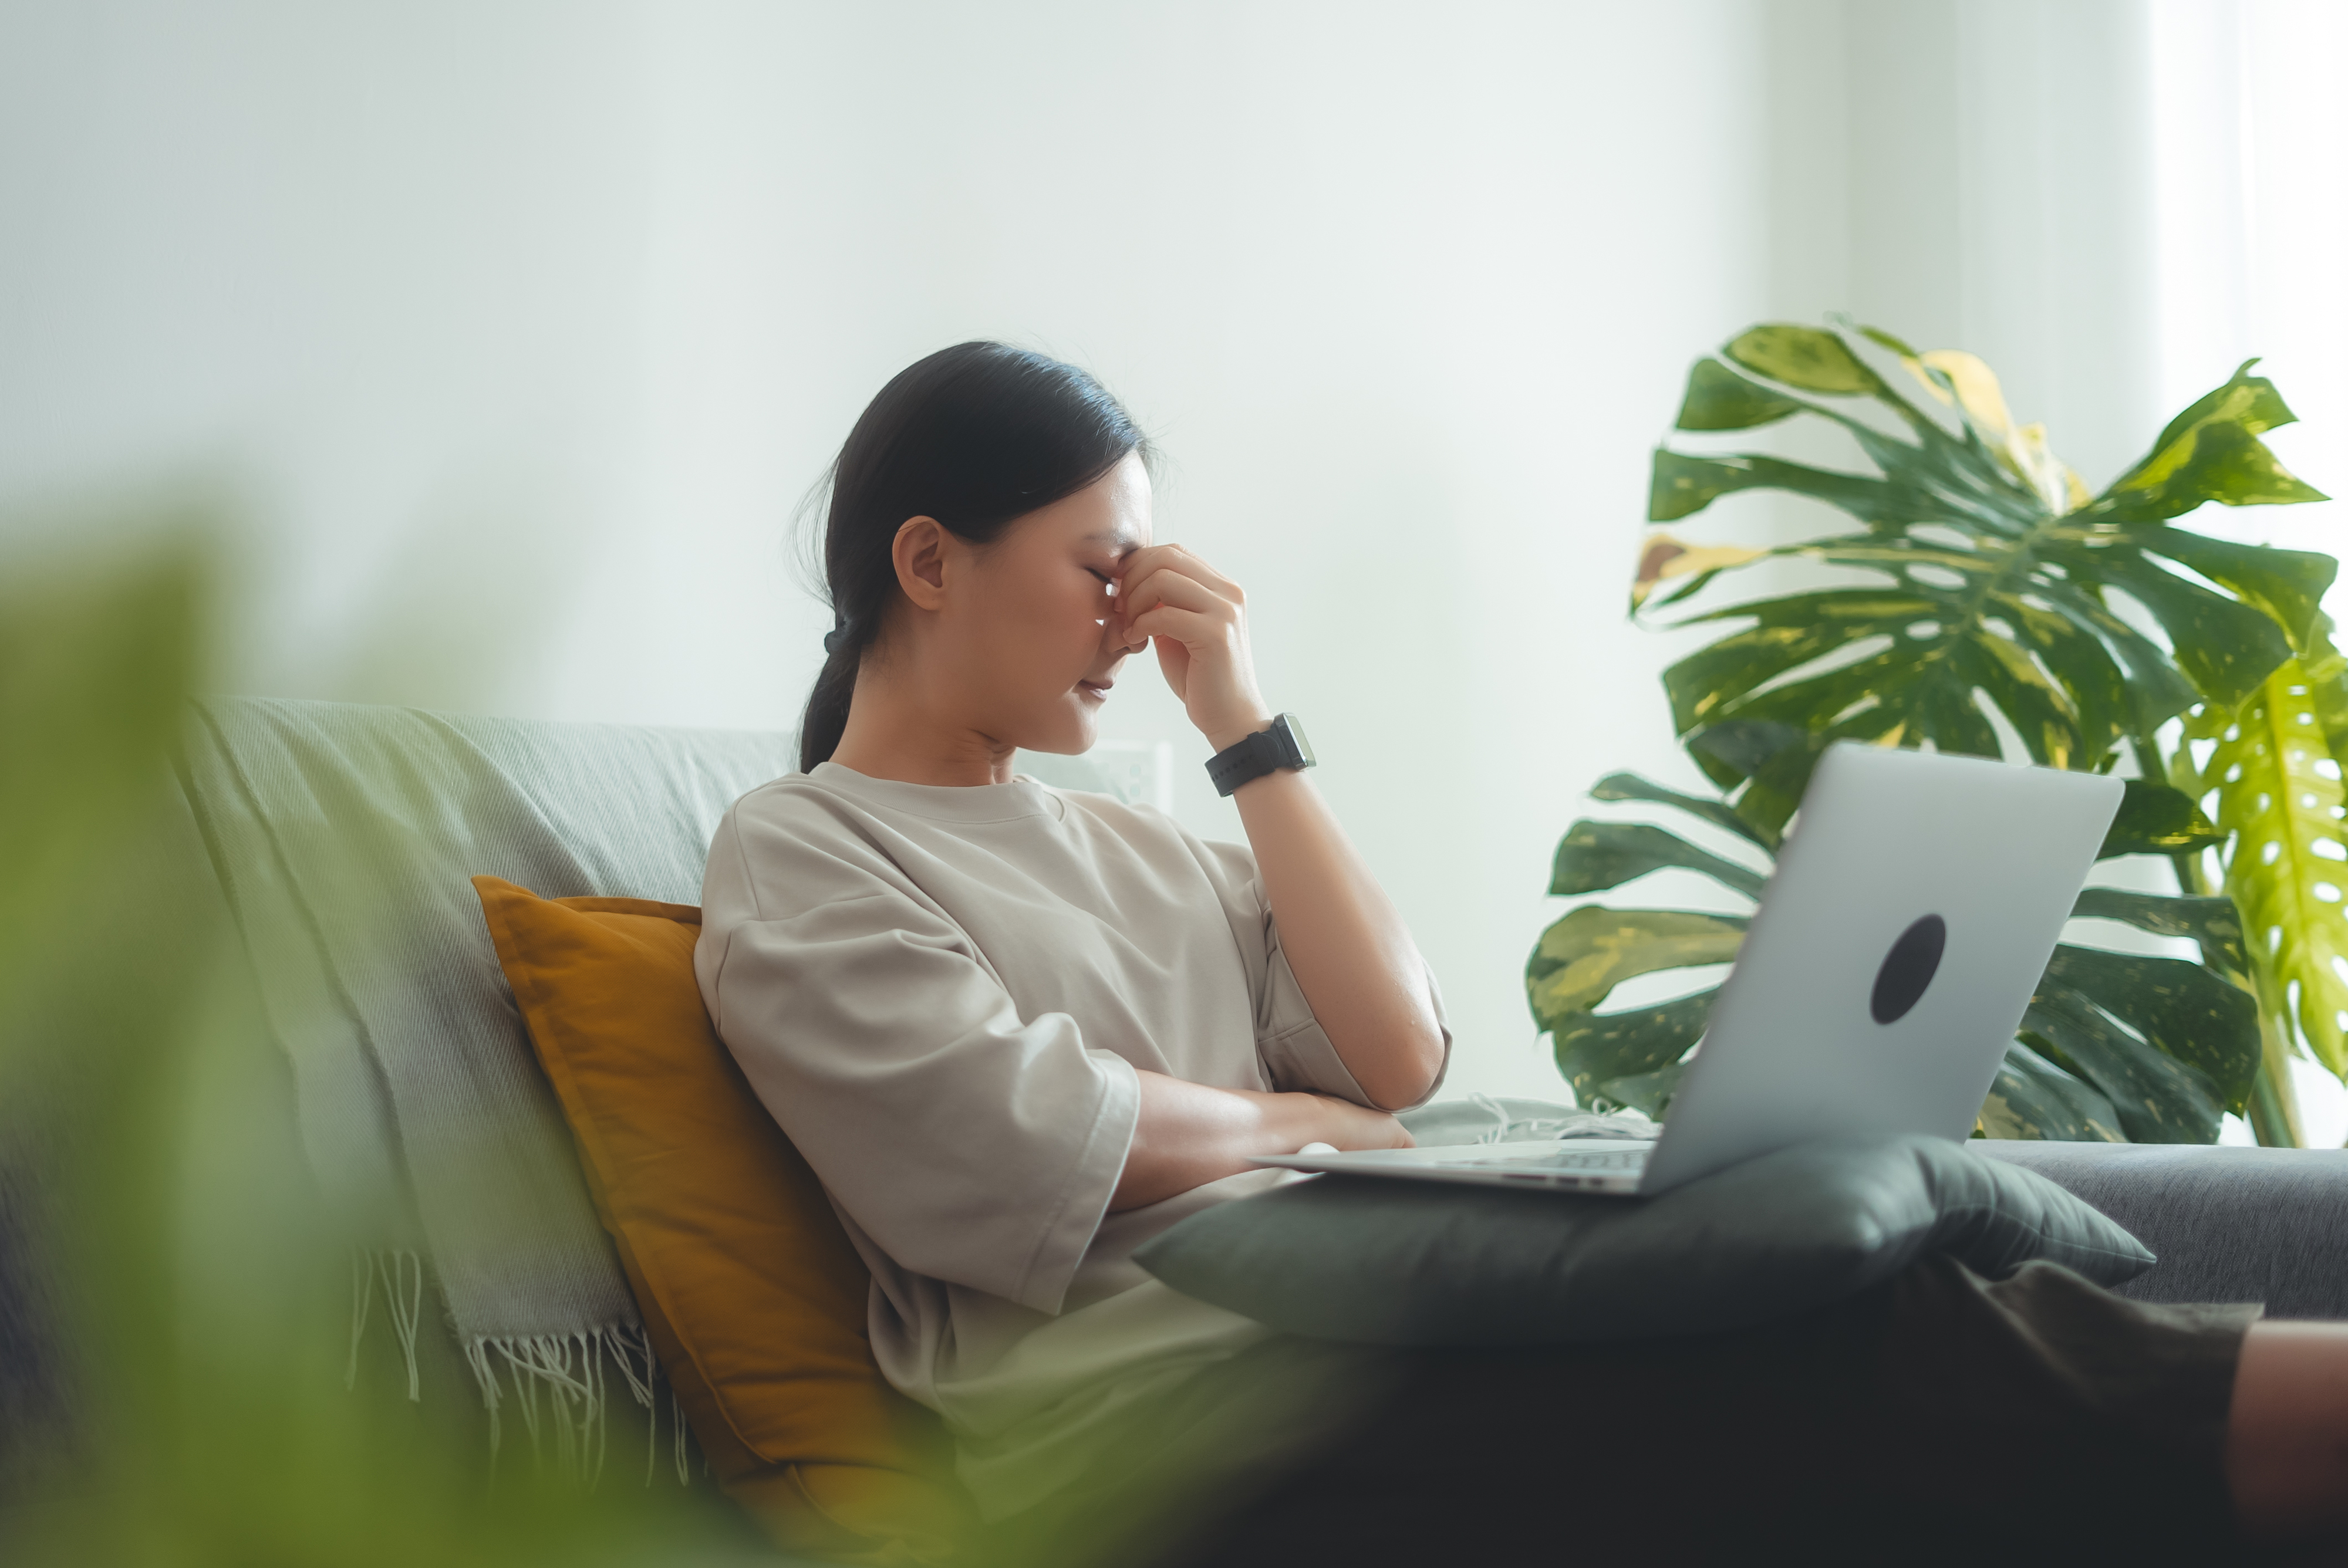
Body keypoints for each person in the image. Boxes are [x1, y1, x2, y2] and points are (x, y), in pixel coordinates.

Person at [697, 342, 2348, 1566]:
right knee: (1858, 1374)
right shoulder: (806, 856)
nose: (1135, 624)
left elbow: (1399, 1057)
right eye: (1101, 571)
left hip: (1380, 1335)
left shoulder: (1135, 836)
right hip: (1173, 1439)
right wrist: (1299, 1131)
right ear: (929, 563)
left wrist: (1246, 726)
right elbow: (1034, 1144)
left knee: (1890, 1304)